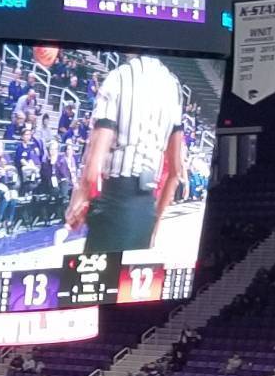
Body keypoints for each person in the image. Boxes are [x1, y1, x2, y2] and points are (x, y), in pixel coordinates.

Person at [65, 52, 187, 255]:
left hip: (115, 202)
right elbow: (175, 171)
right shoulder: (172, 86)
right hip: (146, 206)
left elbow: (95, 162)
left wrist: (79, 199)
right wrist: (155, 222)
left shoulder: (118, 77)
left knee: (95, 282)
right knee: (128, 283)